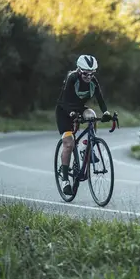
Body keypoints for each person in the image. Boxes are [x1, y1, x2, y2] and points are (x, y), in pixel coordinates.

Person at [56, 54, 112, 195]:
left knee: (92, 115)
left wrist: (106, 112)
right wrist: (71, 113)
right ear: (79, 70)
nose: (89, 76)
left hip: (79, 108)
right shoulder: (72, 78)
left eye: (92, 73)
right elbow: (64, 101)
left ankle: (88, 146)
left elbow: (100, 97)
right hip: (64, 110)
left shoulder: (93, 80)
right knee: (69, 144)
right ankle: (65, 180)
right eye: (86, 73)